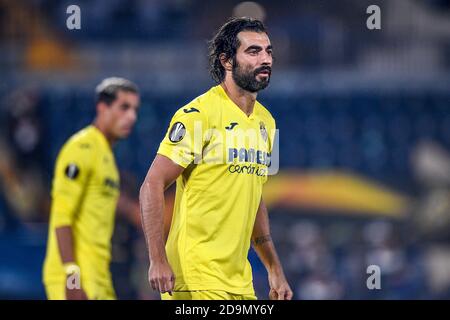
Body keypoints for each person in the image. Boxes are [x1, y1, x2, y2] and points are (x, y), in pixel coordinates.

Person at [140, 17, 292, 300]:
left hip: (238, 278)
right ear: (227, 60)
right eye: (253, 51)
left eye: (268, 51)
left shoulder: (267, 124)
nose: (266, 59)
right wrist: (157, 259)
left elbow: (253, 199)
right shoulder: (199, 115)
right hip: (196, 273)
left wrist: (274, 267)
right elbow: (152, 184)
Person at [43, 77, 140, 300]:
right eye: (124, 107)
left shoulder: (105, 155)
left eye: (135, 109)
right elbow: (61, 216)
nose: (131, 117)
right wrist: (72, 277)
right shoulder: (81, 148)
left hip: (99, 277)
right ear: (102, 108)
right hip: (76, 279)